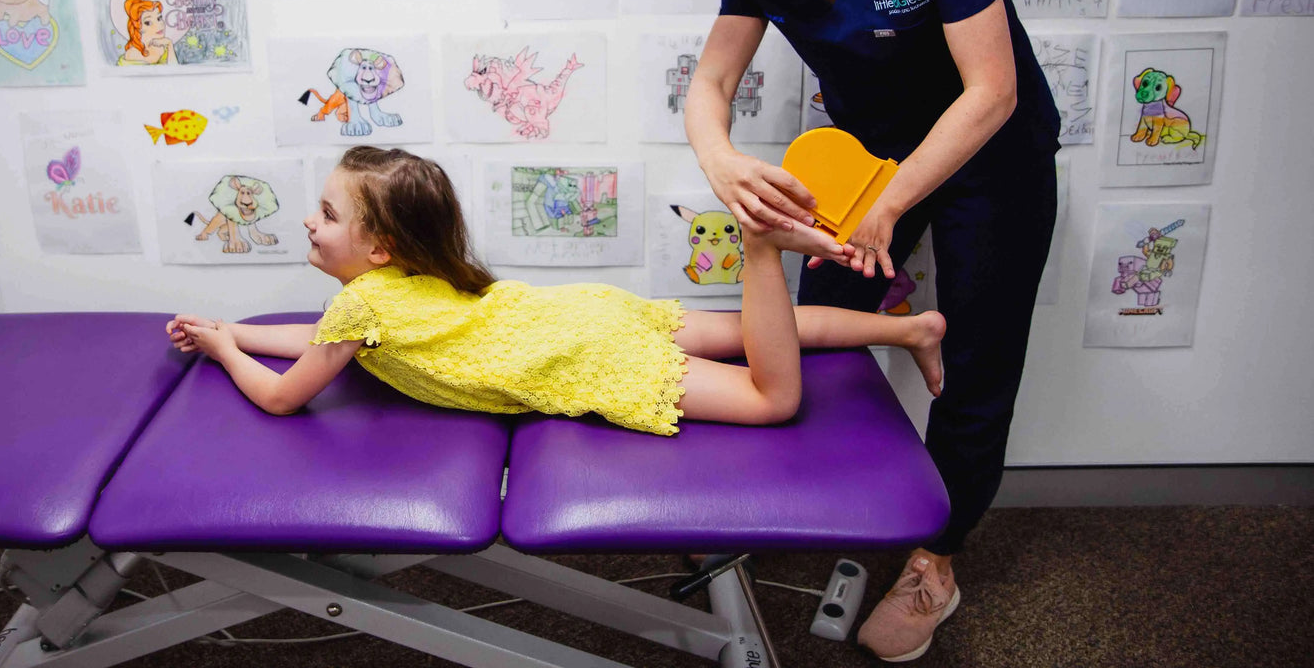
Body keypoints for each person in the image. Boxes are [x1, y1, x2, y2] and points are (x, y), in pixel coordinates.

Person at [656, 0, 1059, 662]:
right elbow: (711, 82)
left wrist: (896, 203)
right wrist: (722, 157)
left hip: (993, 158)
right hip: (870, 160)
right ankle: (792, 508)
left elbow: (991, 91)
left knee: (979, 362)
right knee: (810, 336)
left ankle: (934, 565)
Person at [168, 146, 946, 439]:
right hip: (579, 314)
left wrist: (227, 347)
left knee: (773, 399)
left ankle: (761, 249)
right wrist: (231, 326)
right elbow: (321, 342)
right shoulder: (393, 288)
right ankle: (910, 331)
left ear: (380, 248)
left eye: (327, 213)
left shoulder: (360, 305)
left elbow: (283, 399)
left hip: (580, 356)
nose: (309, 219)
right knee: (752, 331)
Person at [117, 0, 177, 66]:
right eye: (148, 23)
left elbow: (174, 71)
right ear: (138, 27)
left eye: (159, 18)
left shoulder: (162, 47)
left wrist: (169, 44)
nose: (159, 25)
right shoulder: (132, 54)